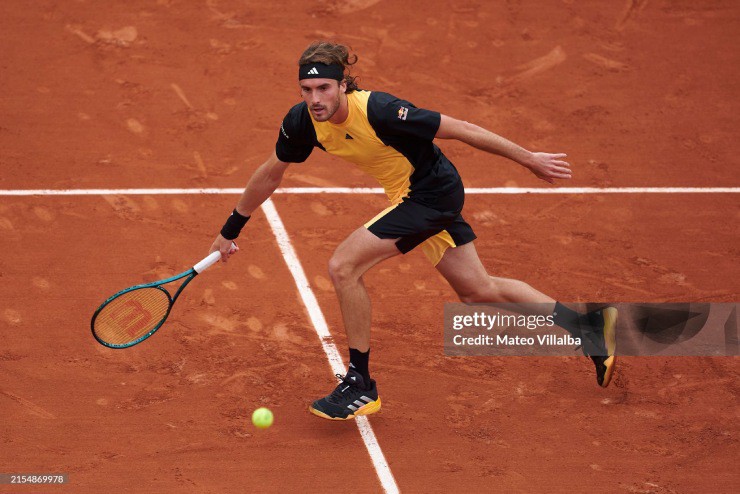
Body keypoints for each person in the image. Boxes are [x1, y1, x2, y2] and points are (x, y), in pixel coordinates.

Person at [209, 41, 617, 421]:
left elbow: (460, 128)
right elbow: (270, 173)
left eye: (324, 88)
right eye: (306, 89)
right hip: (411, 195)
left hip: (430, 194)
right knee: (478, 290)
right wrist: (231, 228)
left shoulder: (382, 110)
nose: (315, 99)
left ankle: (360, 384)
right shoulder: (302, 123)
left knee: (343, 267)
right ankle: (589, 329)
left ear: (343, 85)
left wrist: (528, 158)